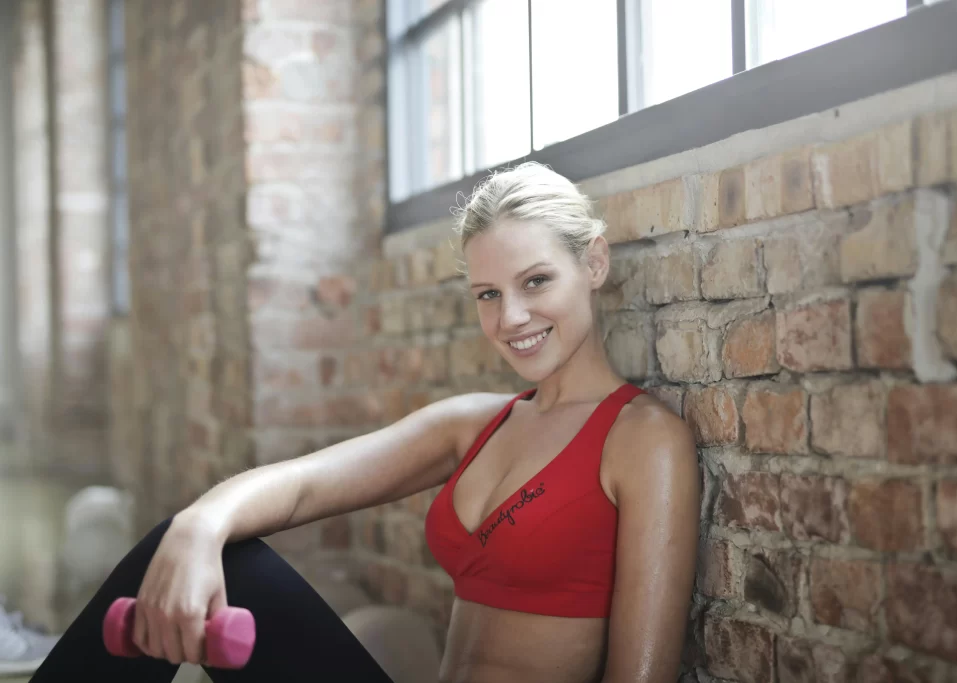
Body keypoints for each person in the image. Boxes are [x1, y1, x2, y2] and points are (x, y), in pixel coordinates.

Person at [30, 162, 700, 683]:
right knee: (204, 547)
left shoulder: (642, 439)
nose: (510, 319)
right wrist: (198, 523)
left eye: (535, 282)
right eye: (488, 294)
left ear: (594, 263)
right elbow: (304, 487)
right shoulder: (475, 424)